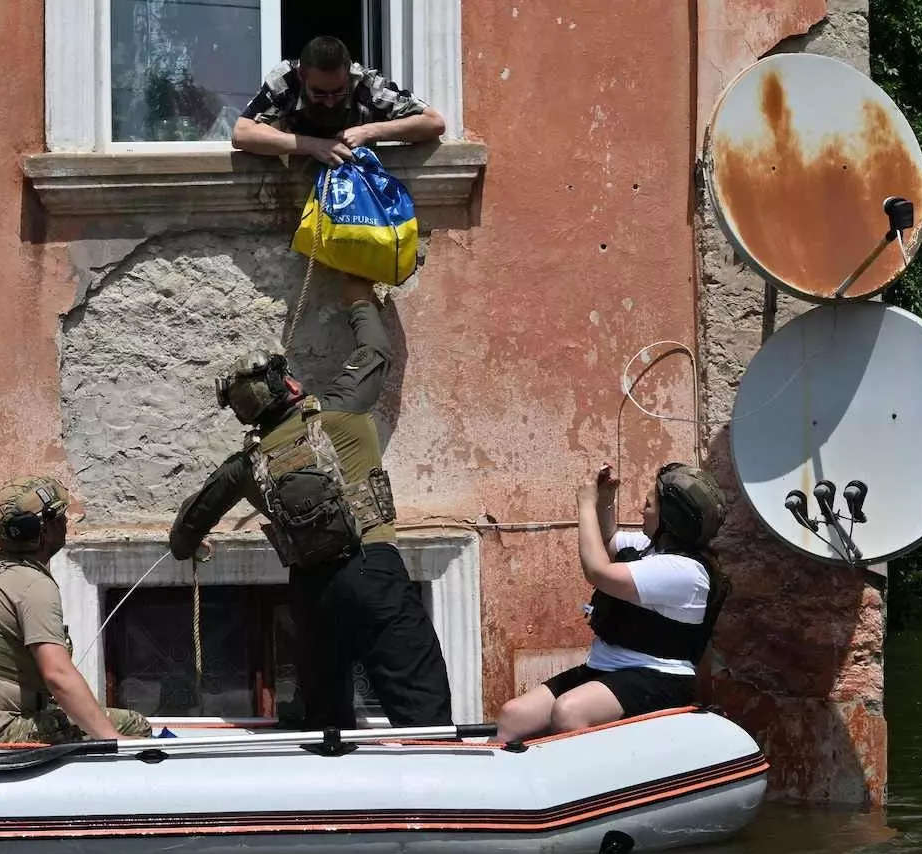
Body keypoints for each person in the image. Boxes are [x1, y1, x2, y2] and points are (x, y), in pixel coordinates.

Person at [168, 276, 450, 731]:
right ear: (292, 385)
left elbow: (184, 533)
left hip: (311, 593)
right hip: (372, 568)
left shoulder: (244, 465)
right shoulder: (340, 408)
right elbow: (376, 351)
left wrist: (193, 545)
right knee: (421, 708)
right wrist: (358, 297)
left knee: (326, 725)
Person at [495, 463, 731, 742]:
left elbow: (598, 571)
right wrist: (606, 499)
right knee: (514, 715)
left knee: (569, 712)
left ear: (670, 518)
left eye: (649, 505)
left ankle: (583, 783)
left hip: (659, 678)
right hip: (607, 669)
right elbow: (607, 542)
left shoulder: (685, 572)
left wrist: (585, 502)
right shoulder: (650, 549)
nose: (642, 510)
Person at [0, 475, 152, 745]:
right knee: (134, 724)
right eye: (61, 516)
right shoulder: (32, 585)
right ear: (43, 529)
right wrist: (114, 741)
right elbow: (58, 676)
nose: (66, 522)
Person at [232, 35, 447, 166]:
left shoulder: (365, 84)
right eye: (319, 93)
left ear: (349, 77)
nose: (329, 102)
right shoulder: (286, 80)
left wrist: (369, 131)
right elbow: (242, 133)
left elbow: (433, 122)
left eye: (338, 92)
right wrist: (313, 146)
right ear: (301, 76)